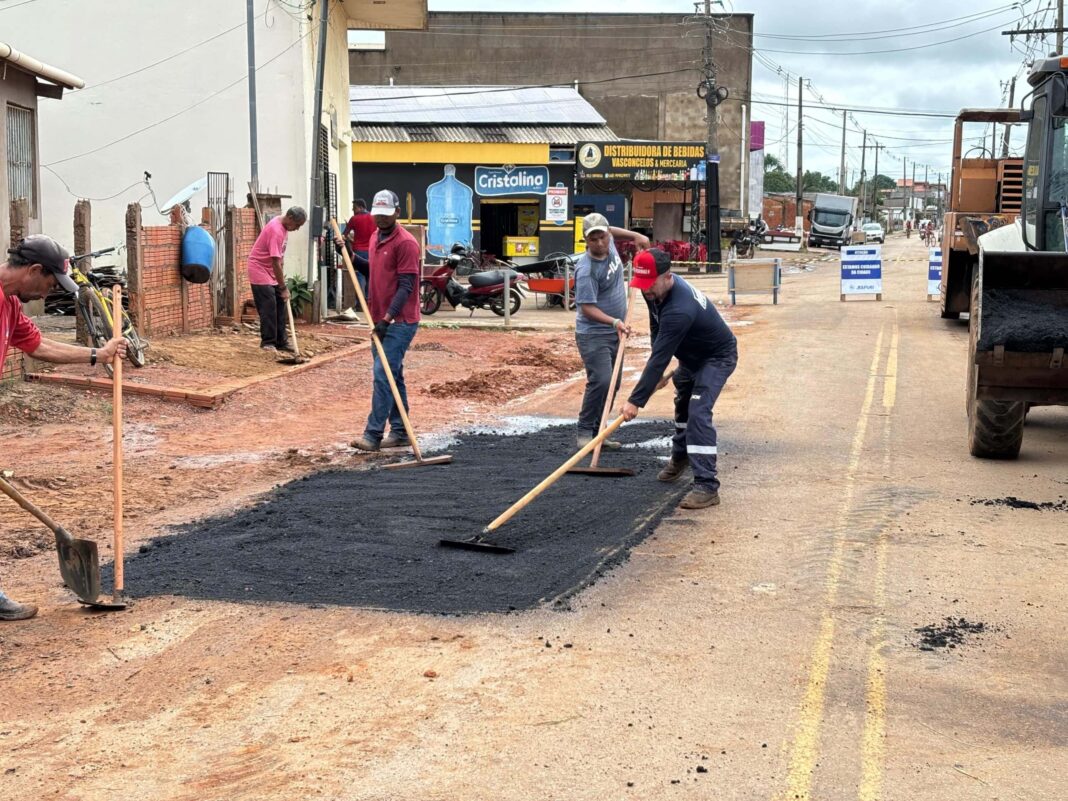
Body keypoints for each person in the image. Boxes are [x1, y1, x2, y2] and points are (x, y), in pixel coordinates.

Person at [0, 235, 127, 621]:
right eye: (51, 284)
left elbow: (38, 347)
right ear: (34, 271)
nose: (49, 292)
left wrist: (97, 355)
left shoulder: (9, 304)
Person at [620, 248, 737, 510]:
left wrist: (635, 401)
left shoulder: (680, 309)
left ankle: (707, 486)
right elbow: (656, 329)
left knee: (698, 411)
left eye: (648, 284)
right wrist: (658, 374)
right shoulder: (653, 291)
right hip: (690, 357)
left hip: (716, 357)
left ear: (668, 276)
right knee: (683, 404)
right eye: (641, 284)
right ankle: (681, 456)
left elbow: (661, 356)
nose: (644, 290)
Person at [351, 190, 422, 452]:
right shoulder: (373, 237)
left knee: (383, 375)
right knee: (393, 376)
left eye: (386, 215)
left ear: (397, 213)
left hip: (400, 321)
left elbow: (406, 286)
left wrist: (387, 318)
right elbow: (373, 270)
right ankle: (401, 431)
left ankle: (372, 435)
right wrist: (350, 255)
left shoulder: (406, 244)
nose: (381, 220)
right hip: (379, 319)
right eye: (377, 215)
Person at [573, 213, 650, 449]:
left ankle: (599, 433)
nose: (599, 243)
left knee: (613, 384)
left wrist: (636, 235)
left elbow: (612, 229)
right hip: (594, 333)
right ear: (586, 240)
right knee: (601, 380)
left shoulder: (610, 241)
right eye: (593, 239)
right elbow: (586, 308)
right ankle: (585, 433)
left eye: (602, 237)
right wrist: (614, 322)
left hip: (616, 331)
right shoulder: (586, 270)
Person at [247, 206, 307, 351]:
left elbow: (280, 259)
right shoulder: (276, 230)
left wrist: (281, 282)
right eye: (297, 225)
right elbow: (275, 261)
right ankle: (268, 343)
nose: (297, 229)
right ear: (290, 218)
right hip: (259, 269)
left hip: (271, 270)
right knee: (269, 307)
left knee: (280, 304)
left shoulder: (284, 227)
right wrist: (283, 287)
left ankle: (281, 342)